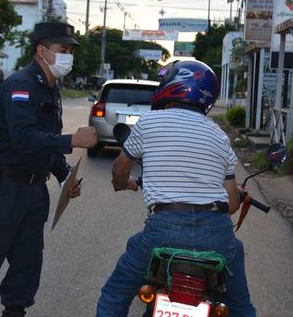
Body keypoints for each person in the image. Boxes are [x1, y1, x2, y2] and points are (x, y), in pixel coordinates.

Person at [0, 22, 98, 317]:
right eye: (62, 50)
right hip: (2, 188)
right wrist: (73, 140)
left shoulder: (51, 87)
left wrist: (63, 173)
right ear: (42, 51)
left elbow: (46, 141)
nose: (68, 56)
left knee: (27, 266)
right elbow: (23, 138)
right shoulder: (22, 85)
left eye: (70, 51)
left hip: (32, 190)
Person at [96, 60, 253, 316]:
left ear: (172, 85)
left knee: (115, 295)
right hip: (217, 234)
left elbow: (120, 169)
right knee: (241, 306)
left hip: (164, 230)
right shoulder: (220, 136)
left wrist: (124, 184)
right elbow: (232, 206)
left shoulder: (148, 123)